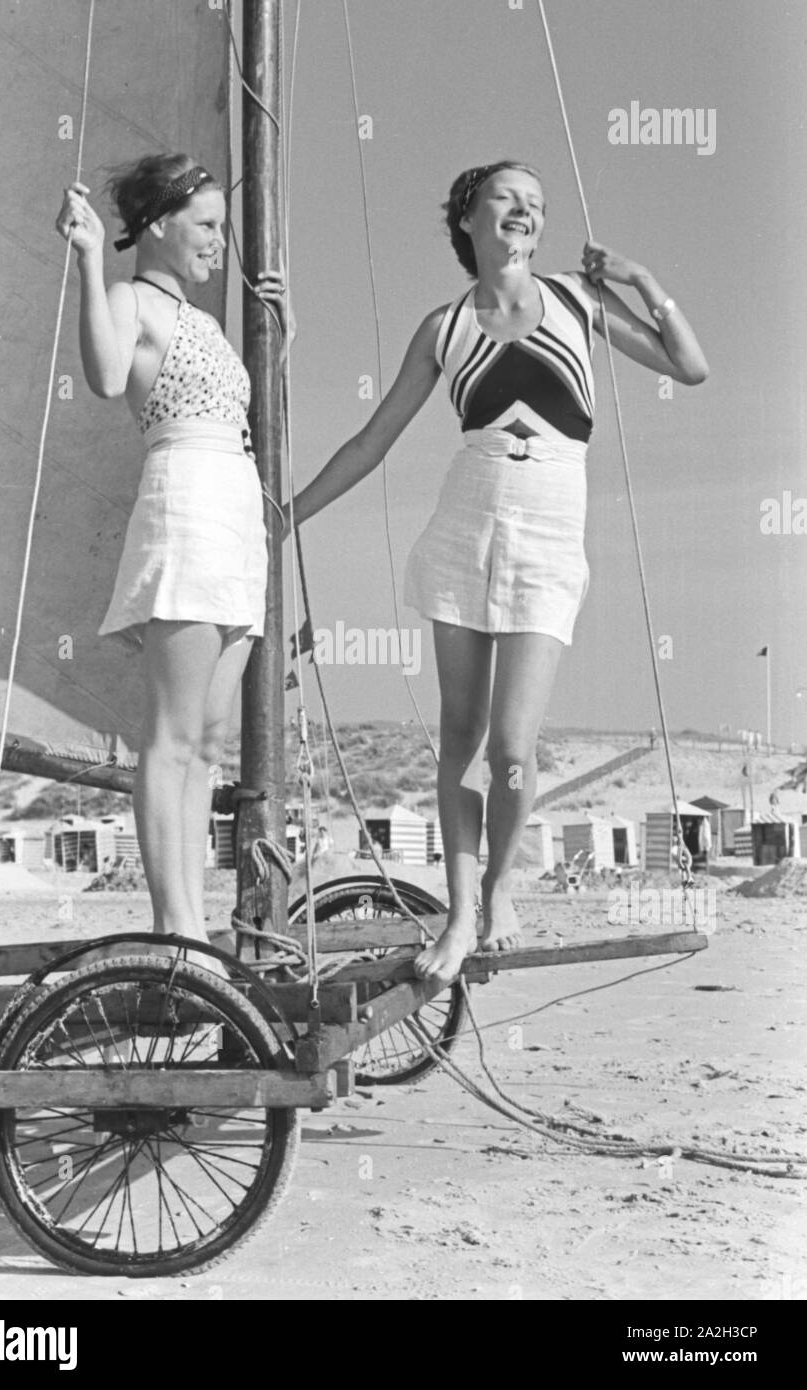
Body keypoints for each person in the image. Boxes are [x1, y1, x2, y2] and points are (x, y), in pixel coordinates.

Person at [285, 160, 707, 983]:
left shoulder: (579, 303)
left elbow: (688, 367)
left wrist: (643, 280)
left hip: (548, 538)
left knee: (513, 751)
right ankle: (461, 910)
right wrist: (289, 513)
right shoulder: (442, 328)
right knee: (457, 737)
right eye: (508, 198)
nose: (526, 211)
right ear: (468, 217)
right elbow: (373, 441)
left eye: (536, 205)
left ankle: (498, 882)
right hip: (462, 528)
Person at [55, 155, 290, 956]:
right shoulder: (130, 298)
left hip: (233, 520)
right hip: (185, 505)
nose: (220, 244)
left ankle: (193, 922)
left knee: (209, 744)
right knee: (170, 735)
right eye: (208, 227)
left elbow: (240, 413)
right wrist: (90, 259)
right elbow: (106, 373)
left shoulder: (211, 324)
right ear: (157, 224)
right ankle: (174, 927)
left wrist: (280, 340)